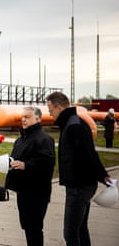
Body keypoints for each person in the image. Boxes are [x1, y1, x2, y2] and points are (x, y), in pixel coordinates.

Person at [46, 92, 111, 246]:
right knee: (81, 228)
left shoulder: (73, 125)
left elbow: (88, 154)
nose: (49, 114)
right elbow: (90, 152)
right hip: (82, 184)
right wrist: (102, 175)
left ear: (59, 107)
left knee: (70, 233)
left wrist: (102, 175)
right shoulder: (74, 122)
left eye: (51, 110)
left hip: (79, 186)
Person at [4, 107, 55, 246]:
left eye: (27, 117)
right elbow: (17, 158)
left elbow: (47, 164)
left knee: (34, 228)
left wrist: (26, 165)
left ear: (38, 119)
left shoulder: (44, 139)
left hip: (37, 192)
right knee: (27, 227)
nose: (23, 119)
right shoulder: (21, 140)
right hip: (23, 191)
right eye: (22, 117)